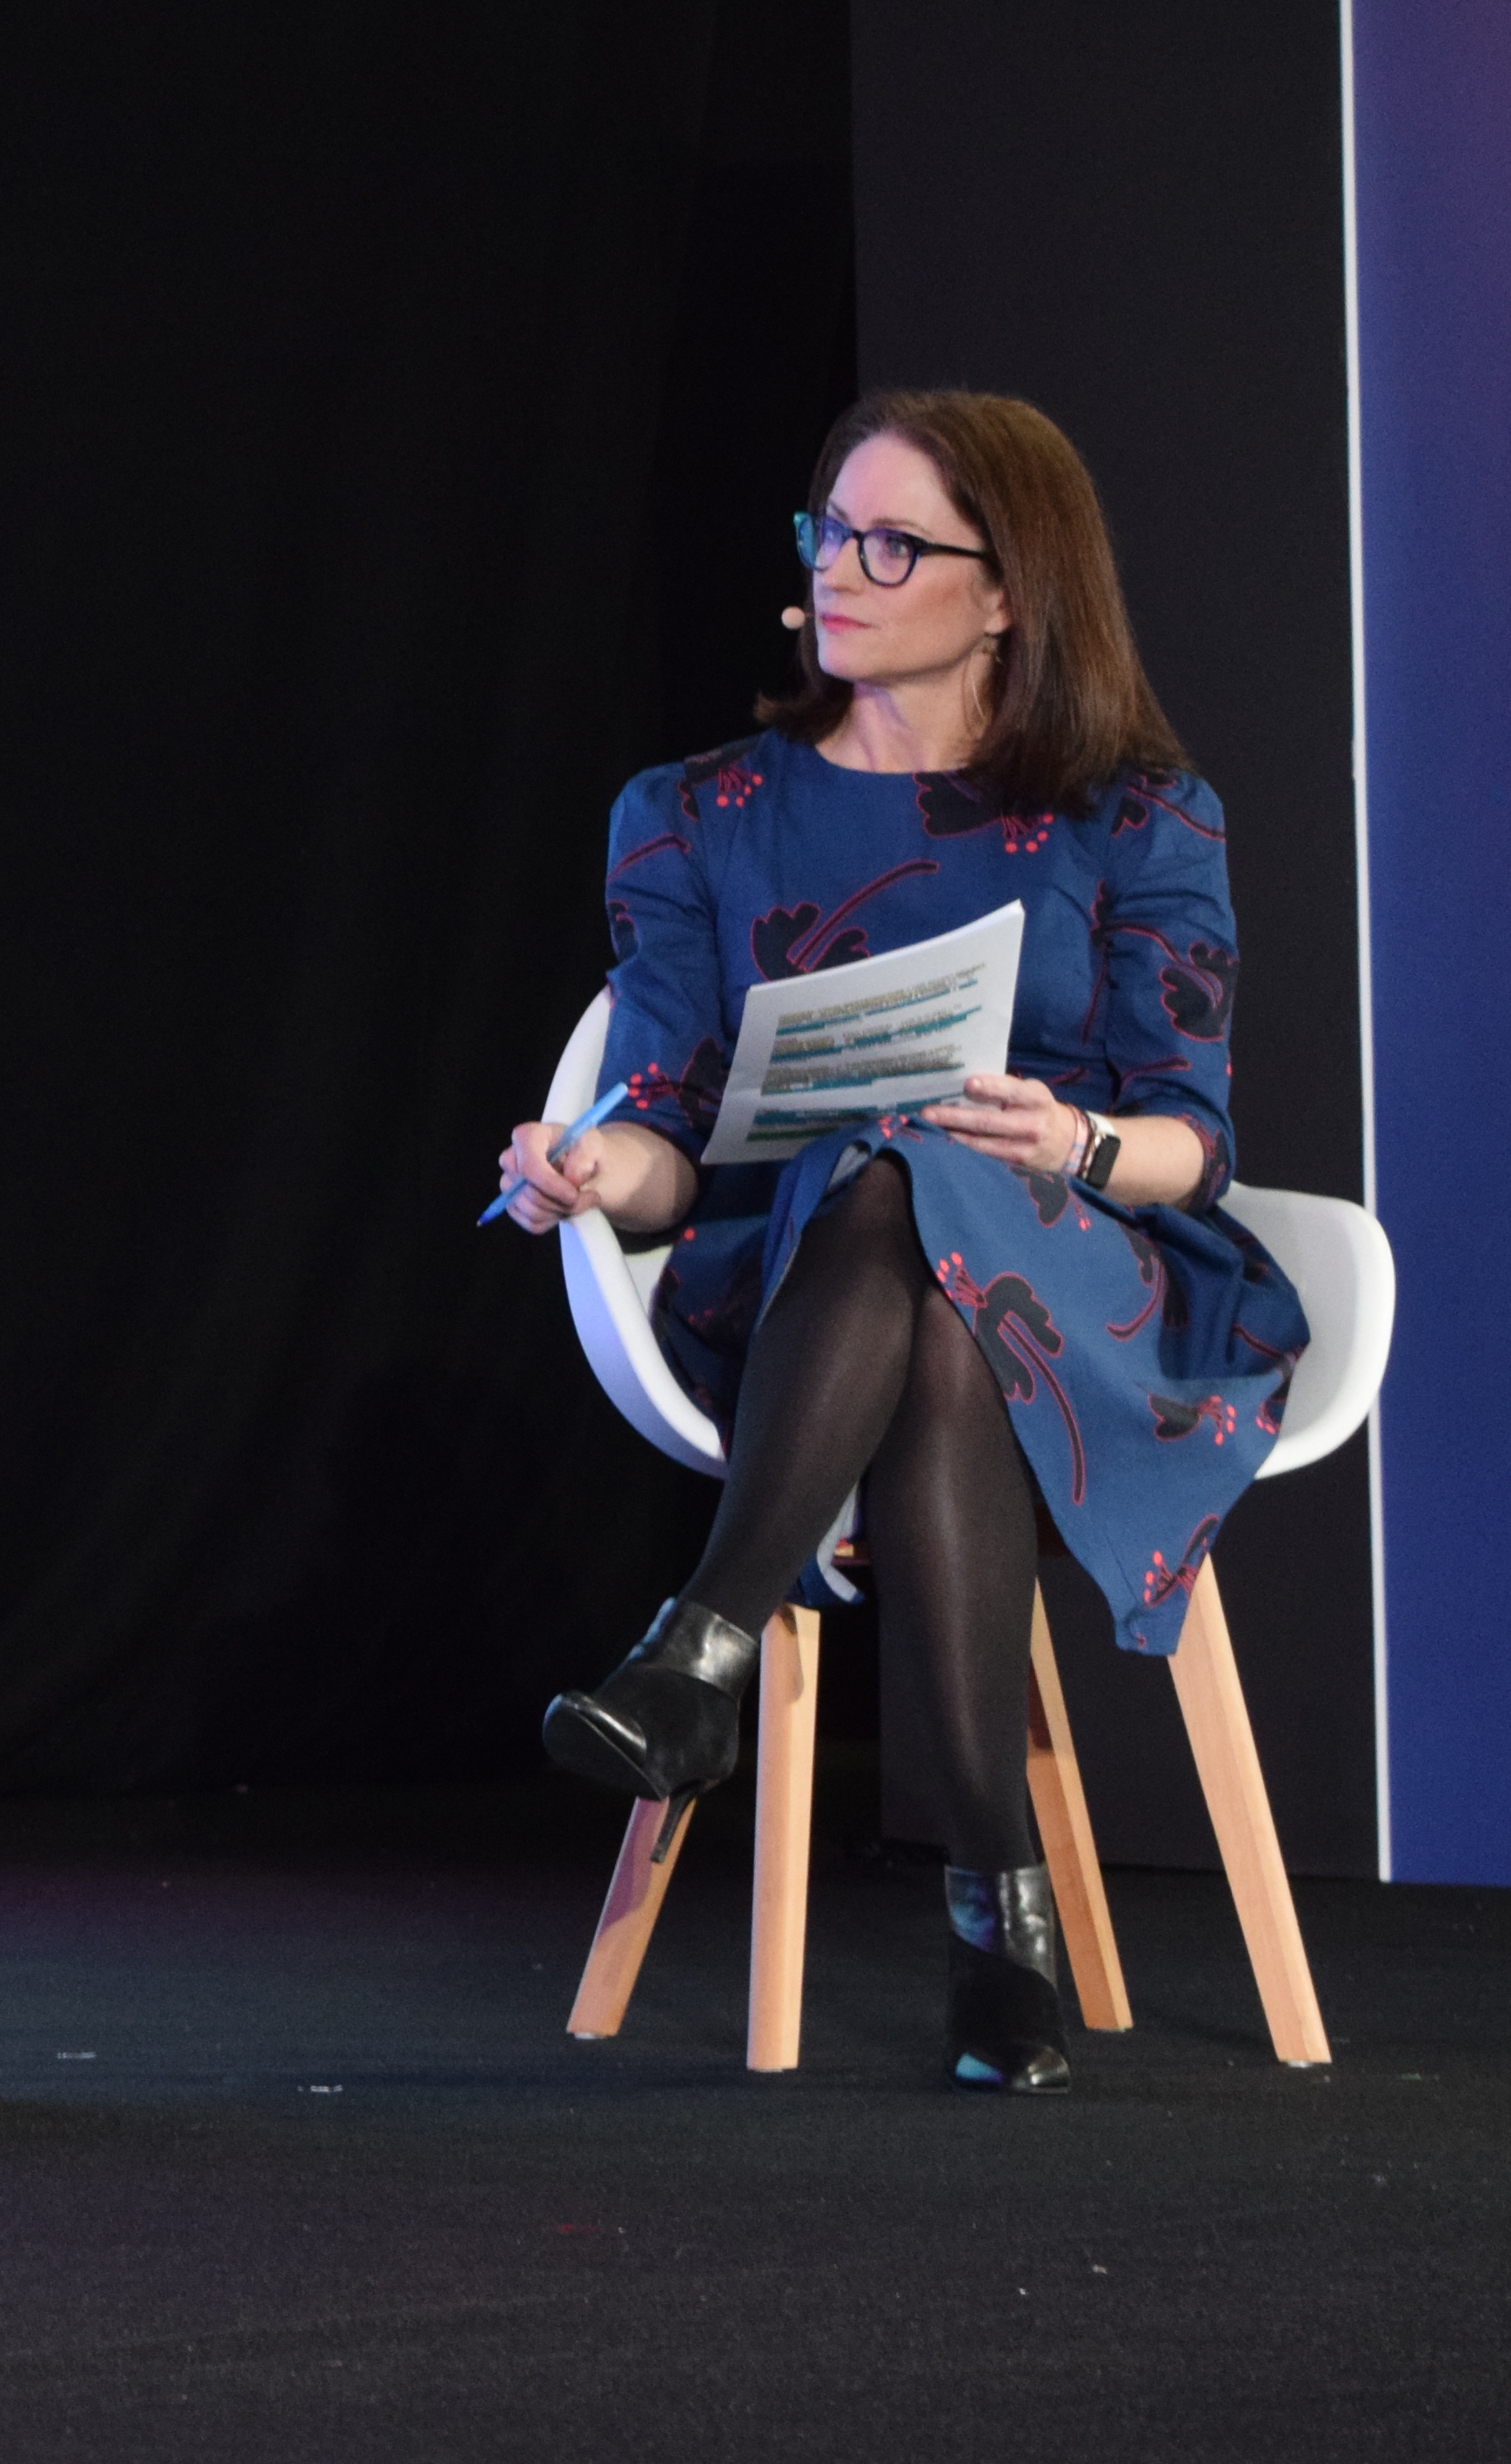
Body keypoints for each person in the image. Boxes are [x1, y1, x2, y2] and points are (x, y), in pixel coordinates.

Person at [504, 389, 1305, 2094]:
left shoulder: (1139, 810)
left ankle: (701, 1644)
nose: (838, 573)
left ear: (1009, 587)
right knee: (895, 1195)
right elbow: (667, 1125)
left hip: (1094, 1274)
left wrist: (1069, 1136)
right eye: (826, 533)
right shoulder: (697, 808)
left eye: (891, 542)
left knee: (937, 1185)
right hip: (813, 1289)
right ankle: (989, 1903)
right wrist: (590, 1170)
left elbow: (1191, 1132)